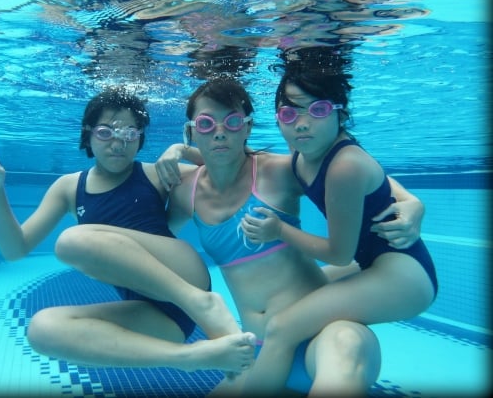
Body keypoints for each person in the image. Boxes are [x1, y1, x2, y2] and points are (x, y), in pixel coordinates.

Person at [155, 76, 426, 396]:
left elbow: (355, 173)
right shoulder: (185, 192)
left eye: (232, 121)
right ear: (190, 131)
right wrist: (176, 152)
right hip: (259, 351)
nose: (219, 132)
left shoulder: (279, 171)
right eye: (205, 123)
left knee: (346, 345)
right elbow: (156, 240)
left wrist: (411, 201)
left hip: (325, 337)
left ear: (247, 127)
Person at [0, 87, 256, 376]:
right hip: (161, 316)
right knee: (42, 330)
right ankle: (189, 358)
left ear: (140, 137)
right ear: (88, 134)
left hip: (185, 276)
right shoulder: (69, 187)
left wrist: (180, 150)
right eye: (106, 132)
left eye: (129, 133)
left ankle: (202, 303)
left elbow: (231, 165)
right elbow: (15, 249)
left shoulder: (157, 173)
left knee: (72, 241)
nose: (118, 143)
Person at [236, 58, 438, 395]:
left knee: (282, 327)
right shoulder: (304, 147)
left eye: (318, 110)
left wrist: (279, 230)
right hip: (374, 264)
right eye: (289, 113)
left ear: (338, 112)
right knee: (298, 298)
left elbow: (339, 254)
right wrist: (183, 151)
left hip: (404, 276)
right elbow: (380, 180)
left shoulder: (343, 166)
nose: (302, 124)